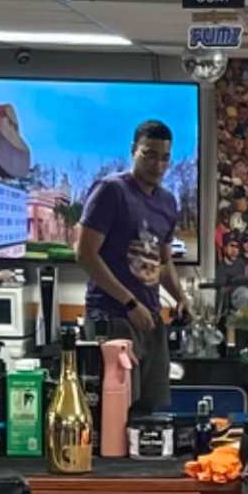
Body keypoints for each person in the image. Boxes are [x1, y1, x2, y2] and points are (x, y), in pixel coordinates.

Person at [76, 119, 182, 419]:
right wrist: (129, 302)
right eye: (149, 154)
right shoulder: (111, 190)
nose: (157, 164)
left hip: (149, 317)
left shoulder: (168, 202)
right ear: (133, 150)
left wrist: (180, 296)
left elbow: (163, 261)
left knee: (152, 411)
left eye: (164, 157)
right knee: (114, 414)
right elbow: (84, 254)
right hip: (113, 317)